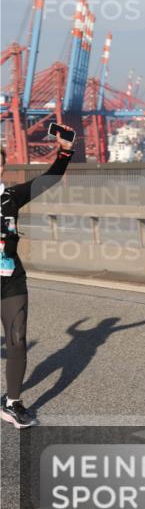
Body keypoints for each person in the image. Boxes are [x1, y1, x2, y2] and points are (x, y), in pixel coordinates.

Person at [1, 127, 76, 428]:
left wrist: (65, 152)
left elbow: (49, 180)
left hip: (10, 278)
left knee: (17, 340)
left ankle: (11, 402)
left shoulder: (11, 197)